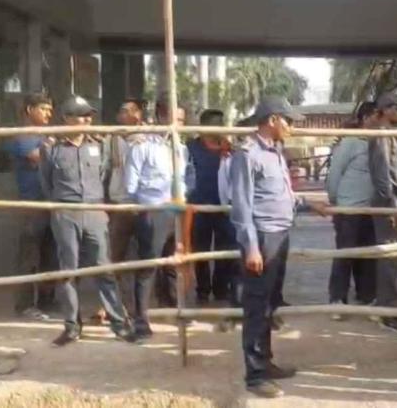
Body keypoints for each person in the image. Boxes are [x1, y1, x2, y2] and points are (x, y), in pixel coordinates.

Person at [39, 96, 135, 347]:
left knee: (104, 268)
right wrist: (61, 207)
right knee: (68, 271)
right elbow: (46, 182)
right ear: (67, 119)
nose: (88, 120)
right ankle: (72, 327)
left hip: (94, 211)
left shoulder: (99, 145)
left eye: (89, 116)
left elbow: (104, 176)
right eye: (82, 116)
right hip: (65, 211)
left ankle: (119, 324)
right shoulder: (51, 147)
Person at [229, 96, 304, 398]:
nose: (291, 127)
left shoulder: (275, 151)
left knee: (270, 303)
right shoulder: (247, 154)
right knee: (257, 306)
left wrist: (308, 204)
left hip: (279, 234)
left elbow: (279, 193)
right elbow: (242, 205)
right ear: (272, 120)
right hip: (262, 237)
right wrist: (251, 247)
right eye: (288, 120)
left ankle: (265, 361)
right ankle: (255, 375)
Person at [124, 103, 188, 340]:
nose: (178, 125)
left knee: (173, 263)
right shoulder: (143, 146)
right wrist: (144, 209)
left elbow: (185, 178)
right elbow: (131, 185)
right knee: (148, 267)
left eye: (181, 120)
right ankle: (141, 321)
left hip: (176, 210)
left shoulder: (181, 148)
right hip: (153, 210)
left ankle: (174, 309)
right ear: (160, 117)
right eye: (174, 119)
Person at [324, 101, 378, 318]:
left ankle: (366, 295)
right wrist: (335, 202)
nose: (378, 121)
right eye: (375, 116)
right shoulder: (350, 142)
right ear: (365, 118)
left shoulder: (379, 143)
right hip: (348, 209)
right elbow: (334, 174)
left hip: (371, 210)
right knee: (345, 255)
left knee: (367, 255)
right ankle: (337, 299)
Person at [6, 93, 57, 321]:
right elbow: (36, 156)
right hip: (32, 202)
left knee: (50, 254)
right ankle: (25, 305)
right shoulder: (23, 135)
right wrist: (54, 145)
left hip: (50, 201)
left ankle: (47, 300)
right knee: (29, 257)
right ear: (29, 110)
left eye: (50, 110)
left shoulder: (46, 135)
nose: (48, 114)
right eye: (43, 109)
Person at [368, 91, 397, 333]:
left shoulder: (390, 135)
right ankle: (387, 309)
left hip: (394, 200)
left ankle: (386, 304)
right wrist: (394, 206)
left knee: (393, 257)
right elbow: (382, 177)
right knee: (388, 256)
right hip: (388, 202)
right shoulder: (382, 136)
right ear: (385, 110)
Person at [98, 99, 146, 321]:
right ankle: (112, 306)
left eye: (129, 111)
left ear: (139, 114)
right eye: (122, 111)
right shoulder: (112, 138)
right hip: (119, 203)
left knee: (145, 258)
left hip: (144, 204)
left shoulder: (151, 136)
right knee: (115, 256)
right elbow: (104, 168)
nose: (124, 115)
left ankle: (140, 308)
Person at [188, 109, 239, 307]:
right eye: (215, 123)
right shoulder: (190, 148)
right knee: (200, 250)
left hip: (224, 207)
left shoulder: (229, 149)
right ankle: (202, 290)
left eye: (221, 123)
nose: (219, 127)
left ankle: (220, 289)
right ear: (204, 126)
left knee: (225, 250)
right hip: (199, 207)